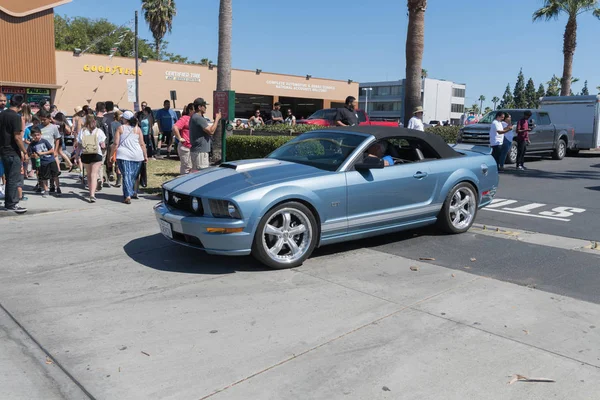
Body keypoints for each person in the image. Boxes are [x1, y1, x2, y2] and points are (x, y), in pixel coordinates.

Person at [0, 94, 27, 213]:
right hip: (12, 151)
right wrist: (24, 151)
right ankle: (11, 203)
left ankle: (8, 202)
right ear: (20, 106)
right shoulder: (16, 117)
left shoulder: (2, 114)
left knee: (8, 177)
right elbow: (17, 137)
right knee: (13, 178)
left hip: (3, 150)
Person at [112, 111, 147, 204]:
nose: (121, 119)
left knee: (127, 175)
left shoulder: (120, 128)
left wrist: (112, 154)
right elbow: (142, 144)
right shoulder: (137, 129)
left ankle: (128, 195)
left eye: (122, 118)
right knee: (133, 175)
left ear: (125, 119)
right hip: (137, 155)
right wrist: (145, 155)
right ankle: (132, 192)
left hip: (123, 155)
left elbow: (115, 143)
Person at [78, 115, 107, 203]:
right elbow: (103, 145)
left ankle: (91, 191)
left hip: (85, 154)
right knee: (94, 174)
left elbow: (79, 145)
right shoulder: (99, 131)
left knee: (89, 174)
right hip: (96, 154)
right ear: (94, 122)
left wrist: (76, 156)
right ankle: (92, 194)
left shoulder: (82, 131)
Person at [189, 98, 221, 171]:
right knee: (201, 173)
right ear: (199, 107)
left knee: (196, 173)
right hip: (200, 152)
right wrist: (217, 119)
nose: (205, 108)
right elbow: (211, 131)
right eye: (204, 106)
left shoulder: (195, 117)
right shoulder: (198, 118)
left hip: (198, 151)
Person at [27, 126, 59, 198]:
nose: (36, 137)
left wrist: (42, 153)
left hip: (50, 160)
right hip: (42, 162)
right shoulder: (32, 144)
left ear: (41, 134)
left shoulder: (44, 141)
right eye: (34, 135)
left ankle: (57, 188)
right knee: (44, 177)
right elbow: (30, 154)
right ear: (31, 136)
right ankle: (46, 190)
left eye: (38, 135)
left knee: (55, 175)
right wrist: (33, 155)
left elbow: (51, 150)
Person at [38, 110, 62, 195]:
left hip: (51, 152)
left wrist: (55, 150)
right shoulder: (39, 127)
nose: (43, 121)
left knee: (54, 171)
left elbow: (57, 139)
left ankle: (53, 186)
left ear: (49, 119)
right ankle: (43, 186)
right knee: (43, 171)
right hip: (41, 153)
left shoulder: (53, 127)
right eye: (41, 120)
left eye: (44, 119)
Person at [173, 103, 194, 174]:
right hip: (185, 147)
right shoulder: (185, 118)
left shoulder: (194, 119)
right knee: (187, 168)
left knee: (191, 168)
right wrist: (180, 138)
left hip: (192, 147)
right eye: (194, 109)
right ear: (190, 110)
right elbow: (175, 127)